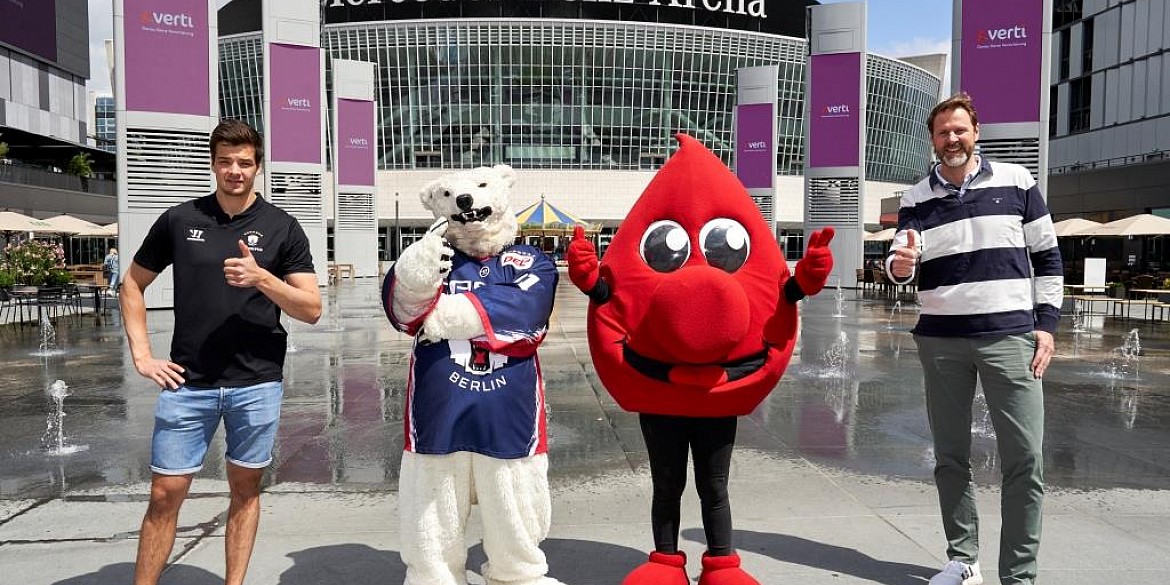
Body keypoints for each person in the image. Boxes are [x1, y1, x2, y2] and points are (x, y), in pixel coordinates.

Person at [120, 119, 322, 585]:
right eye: (226, 162)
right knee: (164, 493)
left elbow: (311, 308)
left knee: (246, 490)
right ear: (213, 164)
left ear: (258, 166)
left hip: (257, 383)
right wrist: (143, 355)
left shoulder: (282, 227)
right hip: (188, 383)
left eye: (245, 163)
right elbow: (132, 284)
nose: (235, 171)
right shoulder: (180, 219)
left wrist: (263, 279)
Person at [887, 93, 1062, 585]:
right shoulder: (915, 197)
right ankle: (963, 561)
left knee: (1025, 458)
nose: (952, 139)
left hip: (1010, 339)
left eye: (959, 129)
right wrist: (898, 267)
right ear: (933, 140)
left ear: (976, 131)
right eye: (943, 132)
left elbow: (1048, 259)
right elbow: (903, 261)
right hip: (941, 342)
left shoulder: (1018, 182)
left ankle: (1019, 576)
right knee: (949, 456)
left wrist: (1046, 326)